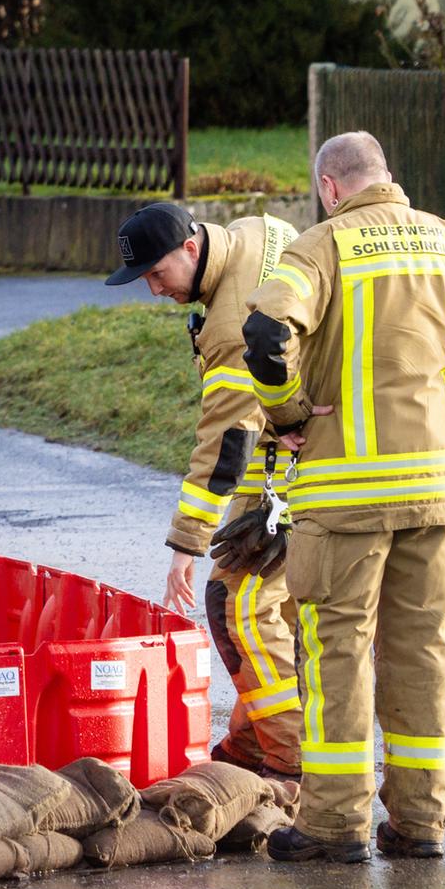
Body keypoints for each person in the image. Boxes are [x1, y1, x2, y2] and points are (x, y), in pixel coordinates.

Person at [243, 130, 445, 862]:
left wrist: (288, 413)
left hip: (346, 498)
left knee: (337, 656)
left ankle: (333, 826)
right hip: (437, 497)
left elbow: (264, 332)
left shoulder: (321, 248)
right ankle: (419, 825)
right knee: (421, 657)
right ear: (388, 176)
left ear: (329, 186)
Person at [105, 201, 304, 781]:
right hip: (311, 453)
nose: (152, 290)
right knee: (284, 619)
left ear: (190, 249)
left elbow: (226, 439)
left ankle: (291, 761)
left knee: (237, 608)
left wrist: (185, 548)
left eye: (157, 274)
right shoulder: (257, 233)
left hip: (284, 476)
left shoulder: (227, 326)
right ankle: (249, 747)